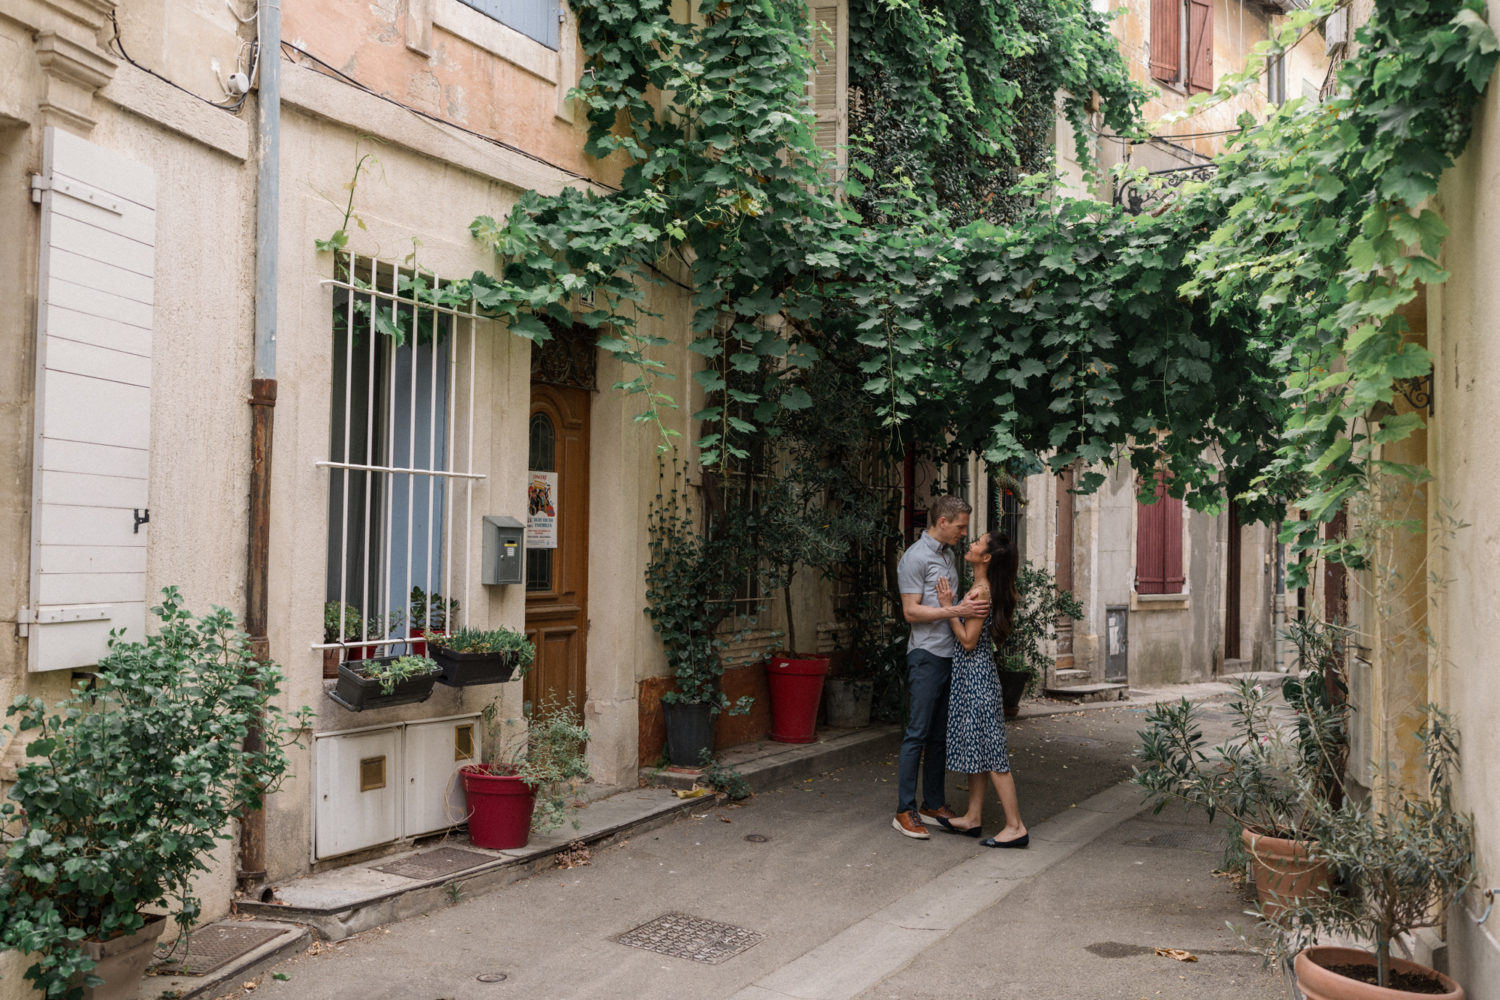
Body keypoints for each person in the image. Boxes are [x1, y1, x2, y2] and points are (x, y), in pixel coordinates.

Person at [893, 496, 989, 840]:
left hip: (951, 655)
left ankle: (933, 803)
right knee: (917, 733)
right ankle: (905, 809)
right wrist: (955, 610)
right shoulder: (915, 558)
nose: (964, 532)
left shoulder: (948, 556)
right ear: (943, 522)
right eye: (961, 526)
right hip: (925, 655)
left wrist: (955, 611)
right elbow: (911, 612)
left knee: (938, 737)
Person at [931, 531, 1029, 848]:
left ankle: (1015, 827)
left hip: (976, 679)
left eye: (978, 542)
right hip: (973, 677)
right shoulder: (981, 588)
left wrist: (949, 609)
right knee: (977, 751)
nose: (971, 543)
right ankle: (973, 817)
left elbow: (969, 641)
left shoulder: (981, 592)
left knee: (992, 755)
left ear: (986, 557)